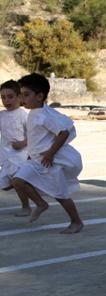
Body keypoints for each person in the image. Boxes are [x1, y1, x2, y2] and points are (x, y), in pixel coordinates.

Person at [12, 73, 83, 234]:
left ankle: (76, 221)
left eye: (26, 95)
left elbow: (63, 133)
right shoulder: (34, 113)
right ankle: (41, 204)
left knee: (60, 194)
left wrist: (50, 154)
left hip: (48, 161)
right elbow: (37, 138)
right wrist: (31, 153)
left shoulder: (44, 115)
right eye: (21, 94)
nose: (22, 99)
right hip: (36, 159)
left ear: (39, 96)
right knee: (18, 181)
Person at [0, 80, 30, 216]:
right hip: (6, 156)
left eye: (10, 96)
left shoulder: (23, 115)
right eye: (3, 97)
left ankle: (27, 206)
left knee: (19, 182)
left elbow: (33, 135)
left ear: (19, 97)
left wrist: (23, 143)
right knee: (6, 186)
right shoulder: (2, 115)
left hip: (20, 156)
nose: (6, 100)